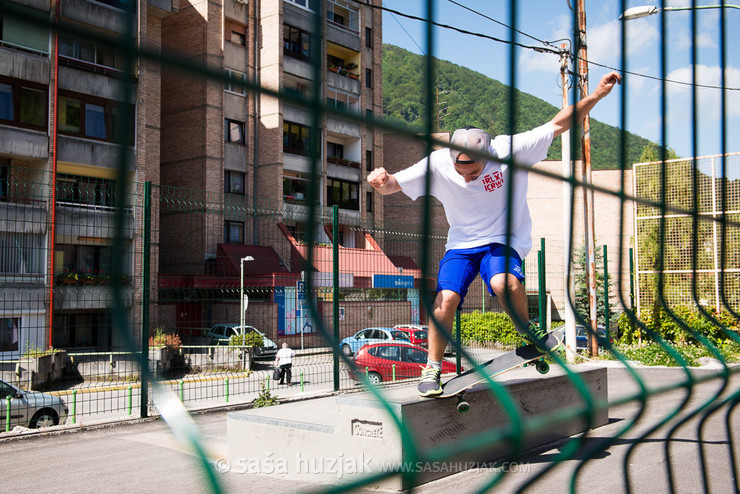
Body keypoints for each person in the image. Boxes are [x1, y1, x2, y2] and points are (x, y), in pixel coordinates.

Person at [367, 71, 622, 397]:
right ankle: (432, 368)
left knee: (505, 283)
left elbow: (559, 123)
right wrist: (381, 179)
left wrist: (598, 94)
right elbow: (392, 186)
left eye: (475, 172)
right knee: (445, 300)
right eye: (462, 172)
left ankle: (526, 329)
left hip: (503, 240)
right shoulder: (437, 164)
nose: (469, 178)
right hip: (461, 245)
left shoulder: (509, 150)